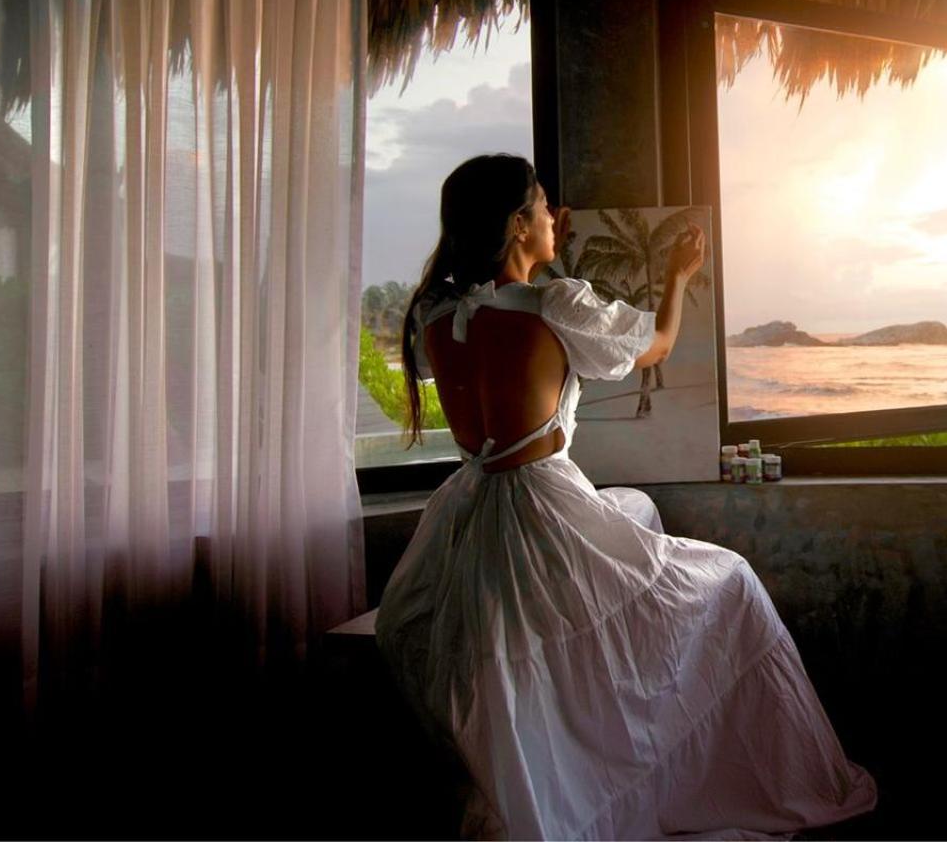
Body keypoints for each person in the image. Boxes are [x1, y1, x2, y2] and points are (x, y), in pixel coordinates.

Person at [374, 154, 877, 841]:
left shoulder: (438, 315)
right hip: (541, 507)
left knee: (599, 571)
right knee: (731, 583)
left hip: (472, 512)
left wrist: (546, 259)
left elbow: (499, 318)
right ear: (517, 223)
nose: (553, 218)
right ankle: (717, 775)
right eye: (542, 207)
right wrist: (677, 276)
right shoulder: (557, 305)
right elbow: (658, 345)